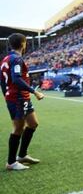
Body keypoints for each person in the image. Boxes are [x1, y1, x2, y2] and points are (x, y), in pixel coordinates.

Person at [0, 33, 45, 171]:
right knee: (18, 128)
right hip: (18, 97)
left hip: (19, 97)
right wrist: (35, 91)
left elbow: (2, 81)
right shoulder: (16, 59)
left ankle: (22, 155)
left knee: (33, 123)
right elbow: (16, 79)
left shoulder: (6, 59)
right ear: (23, 44)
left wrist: (6, 95)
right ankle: (11, 162)